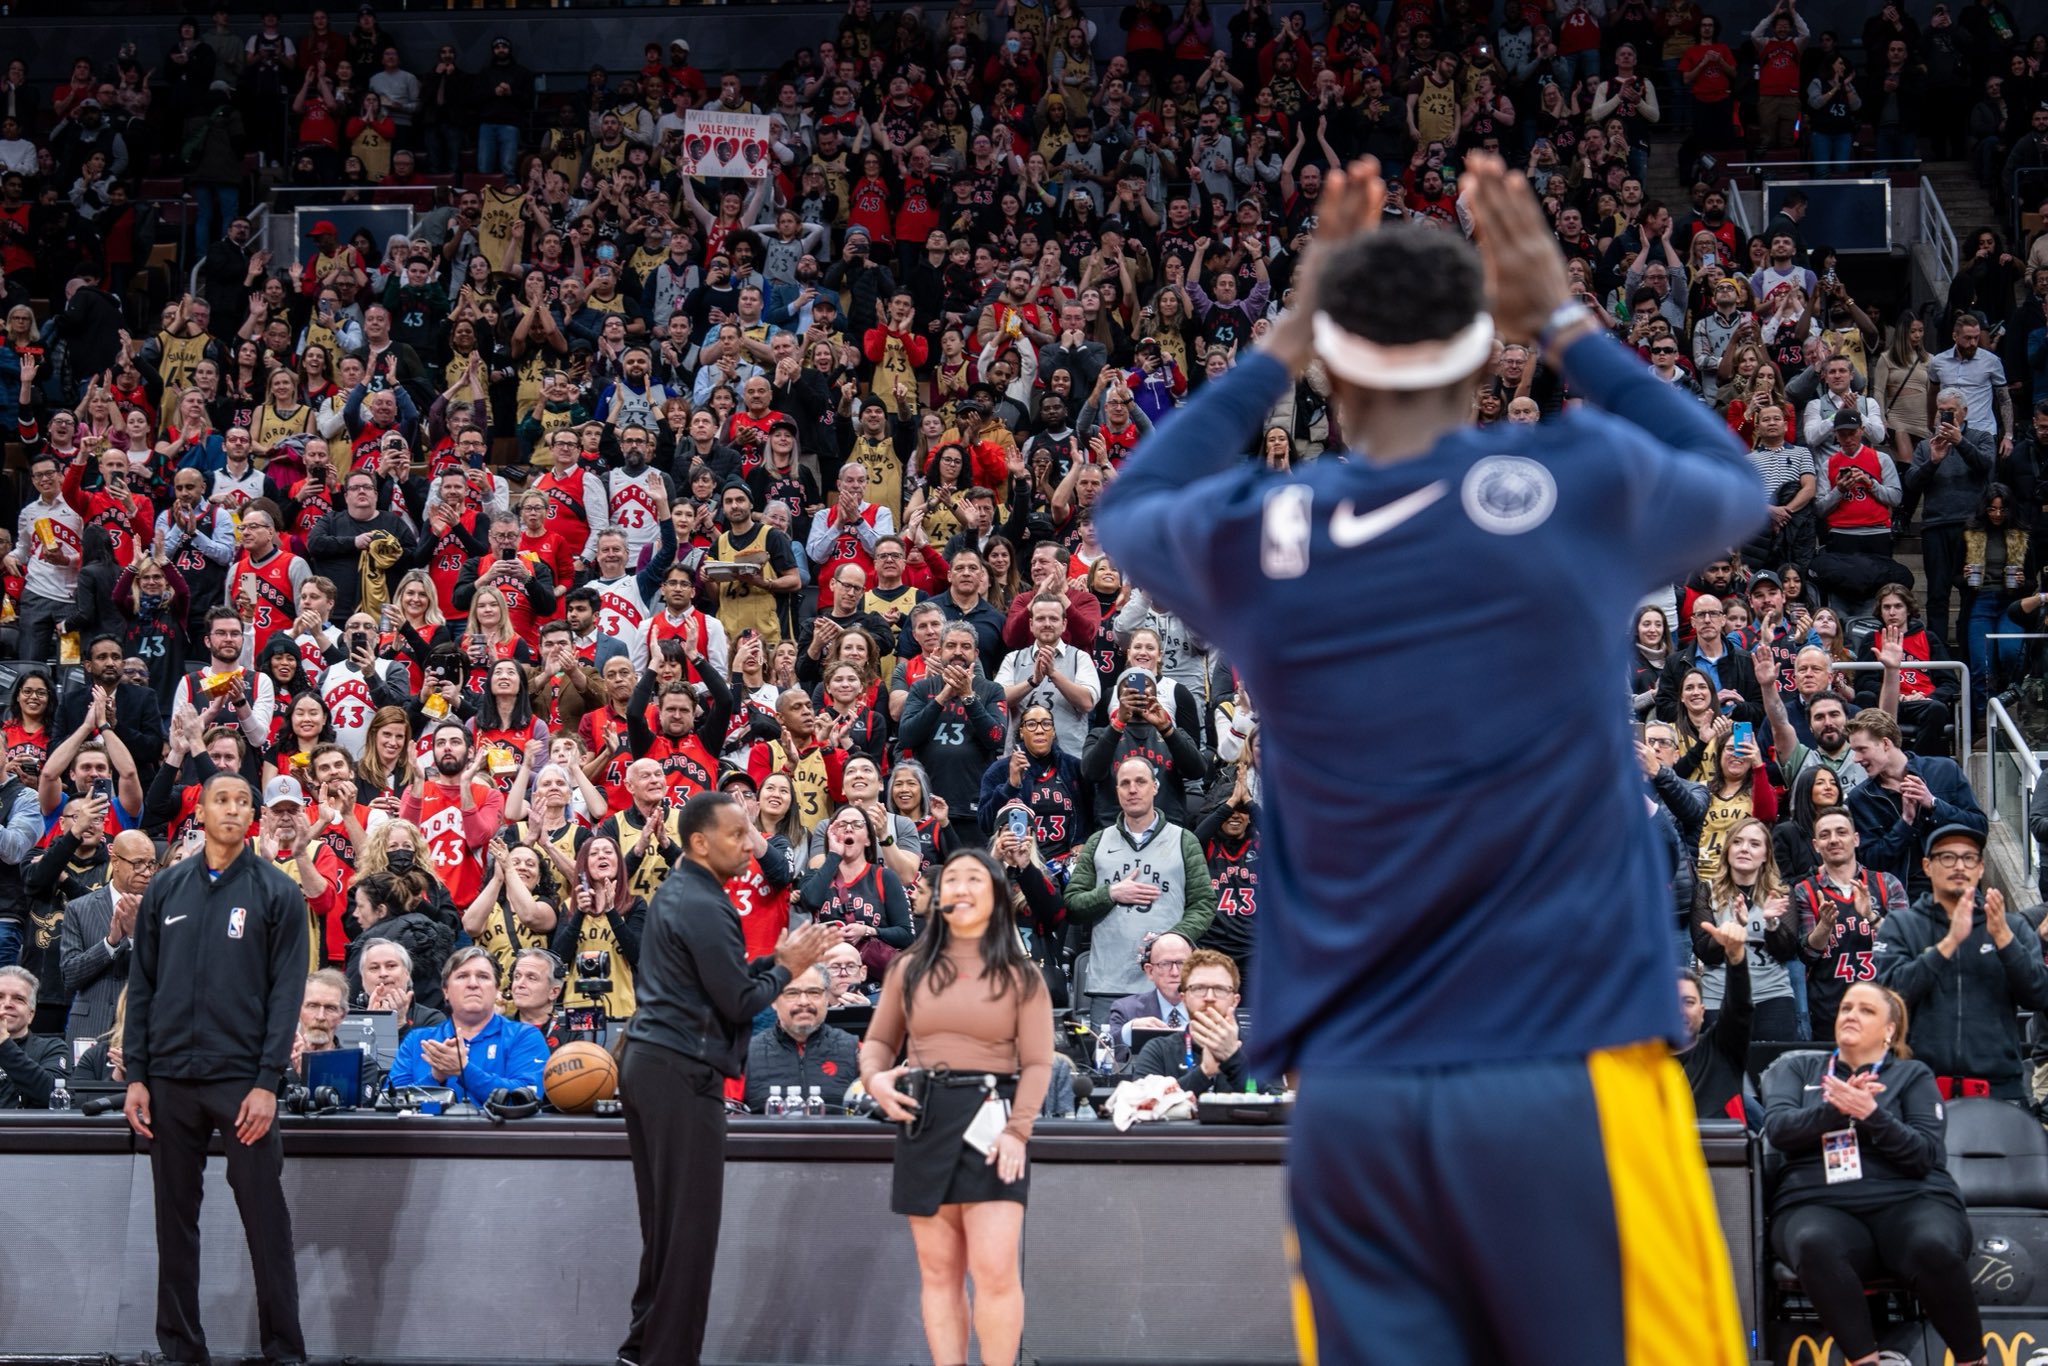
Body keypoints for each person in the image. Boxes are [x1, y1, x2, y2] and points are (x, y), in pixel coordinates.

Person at [1091, 155, 1759, 1362]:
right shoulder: (1570, 484)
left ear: (1333, 373)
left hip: (1355, 1095)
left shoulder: (1268, 531)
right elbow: (1728, 478)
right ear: (1480, 355)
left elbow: (1131, 502)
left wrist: (1281, 335)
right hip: (1566, 1064)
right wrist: (1560, 319)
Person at [616, 791, 837, 1366]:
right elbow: (739, 1002)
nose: (750, 843)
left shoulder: (684, 891)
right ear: (698, 842)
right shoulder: (704, 902)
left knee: (665, 1229)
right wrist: (787, 965)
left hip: (652, 1061)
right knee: (688, 1235)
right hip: (680, 1069)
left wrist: (776, 960)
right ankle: (665, 1358)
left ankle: (642, 1350)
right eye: (737, 834)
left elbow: (722, 981)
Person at [122, 770, 309, 1366]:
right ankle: (181, 1350)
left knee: (265, 1221)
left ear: (252, 815)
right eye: (221, 800)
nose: (233, 809)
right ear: (199, 812)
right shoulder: (166, 889)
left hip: (241, 1082)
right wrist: (136, 1076)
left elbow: (287, 994)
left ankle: (284, 1350)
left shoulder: (277, 892)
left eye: (242, 802)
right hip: (170, 1080)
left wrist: (266, 1082)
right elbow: (142, 986)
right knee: (173, 1225)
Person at [858, 847, 1052, 1366]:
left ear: (996, 896)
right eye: (953, 880)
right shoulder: (909, 967)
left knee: (993, 1269)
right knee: (938, 1272)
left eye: (975, 879)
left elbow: (1037, 1064)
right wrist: (874, 1080)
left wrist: (1017, 1132)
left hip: (995, 1118)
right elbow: (878, 1043)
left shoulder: (1022, 975)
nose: (962, 888)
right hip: (924, 1117)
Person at [1762, 983, 1988, 1366]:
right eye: (1846, 1007)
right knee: (1814, 1242)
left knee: (1932, 1244)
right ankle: (1865, 1361)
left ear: (1890, 1029)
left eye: (1866, 1010)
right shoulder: (1795, 1068)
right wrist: (1834, 1111)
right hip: (1816, 1202)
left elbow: (1924, 1156)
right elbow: (1779, 1130)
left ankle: (1972, 1360)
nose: (1850, 1014)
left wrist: (1873, 1115)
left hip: (1910, 1199)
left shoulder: (1912, 1074)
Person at [1873, 823, 2048, 1104]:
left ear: (1980, 868)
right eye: (1947, 857)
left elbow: (2039, 995)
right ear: (1927, 866)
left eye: (1969, 858)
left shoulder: (2010, 925)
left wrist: (2003, 938)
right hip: (1919, 1089)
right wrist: (1949, 943)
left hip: (2000, 1092)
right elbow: (1889, 997)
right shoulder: (1900, 924)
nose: (1959, 866)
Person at [1063, 756, 1216, 1024]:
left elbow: (1203, 903)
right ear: (1117, 791)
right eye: (1125, 783)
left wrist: (1169, 941)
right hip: (1109, 984)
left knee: (1169, 1063)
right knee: (1111, 1063)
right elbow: (1073, 905)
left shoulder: (1184, 840)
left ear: (1155, 787)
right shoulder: (1097, 842)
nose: (1133, 789)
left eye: (1140, 782)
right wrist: (1111, 893)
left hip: (1168, 984)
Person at [1794, 810, 1908, 1041]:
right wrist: (1825, 926)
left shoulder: (1887, 883)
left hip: (1884, 1008)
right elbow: (1807, 954)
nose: (1834, 839)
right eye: (1825, 835)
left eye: (1841, 832)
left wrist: (1870, 915)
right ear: (1816, 845)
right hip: (1829, 1011)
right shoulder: (1805, 891)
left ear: (1855, 839)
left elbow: (1905, 943)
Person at [386, 946, 549, 1102]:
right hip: (430, 1132)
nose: (473, 984)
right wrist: (435, 1077)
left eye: (483, 977)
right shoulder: (417, 1041)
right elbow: (391, 1101)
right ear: (446, 991)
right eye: (462, 976)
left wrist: (464, 1070)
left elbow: (526, 1099)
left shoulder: (524, 1037)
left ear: (496, 989)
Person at [57, 828, 154, 1042]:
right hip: (91, 1026)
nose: (146, 872)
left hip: (145, 1025)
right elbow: (70, 976)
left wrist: (134, 938)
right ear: (115, 861)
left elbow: (171, 971)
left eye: (151, 864)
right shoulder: (79, 908)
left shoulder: (166, 907)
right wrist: (110, 943)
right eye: (138, 863)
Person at [1131, 948, 1259, 1094]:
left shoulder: (1260, 1050)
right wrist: (1204, 1073)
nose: (1209, 997)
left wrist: (1234, 1060)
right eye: (1199, 988)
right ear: (1183, 999)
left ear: (1235, 1001)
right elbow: (1140, 1104)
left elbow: (1277, 1106)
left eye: (1220, 989)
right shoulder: (1158, 1050)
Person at [742, 963, 861, 1112]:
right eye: (792, 993)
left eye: (813, 992)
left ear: (826, 998)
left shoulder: (855, 1051)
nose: (804, 1002)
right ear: (773, 1001)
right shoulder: (744, 1055)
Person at [1677, 918, 1751, 1121]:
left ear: (1702, 1012)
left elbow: (1739, 1008)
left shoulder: (1721, 1050)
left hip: (1721, 1151)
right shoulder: (1645, 1062)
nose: (1680, 1010)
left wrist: (1735, 956)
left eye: (1689, 1002)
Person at [0, 963, 65, 1106]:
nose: (7, 1004)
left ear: (31, 1014)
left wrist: (4, 1042)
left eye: (18, 999)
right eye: (0, 996)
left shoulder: (53, 1048)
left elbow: (54, 1096)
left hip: (25, 1127)